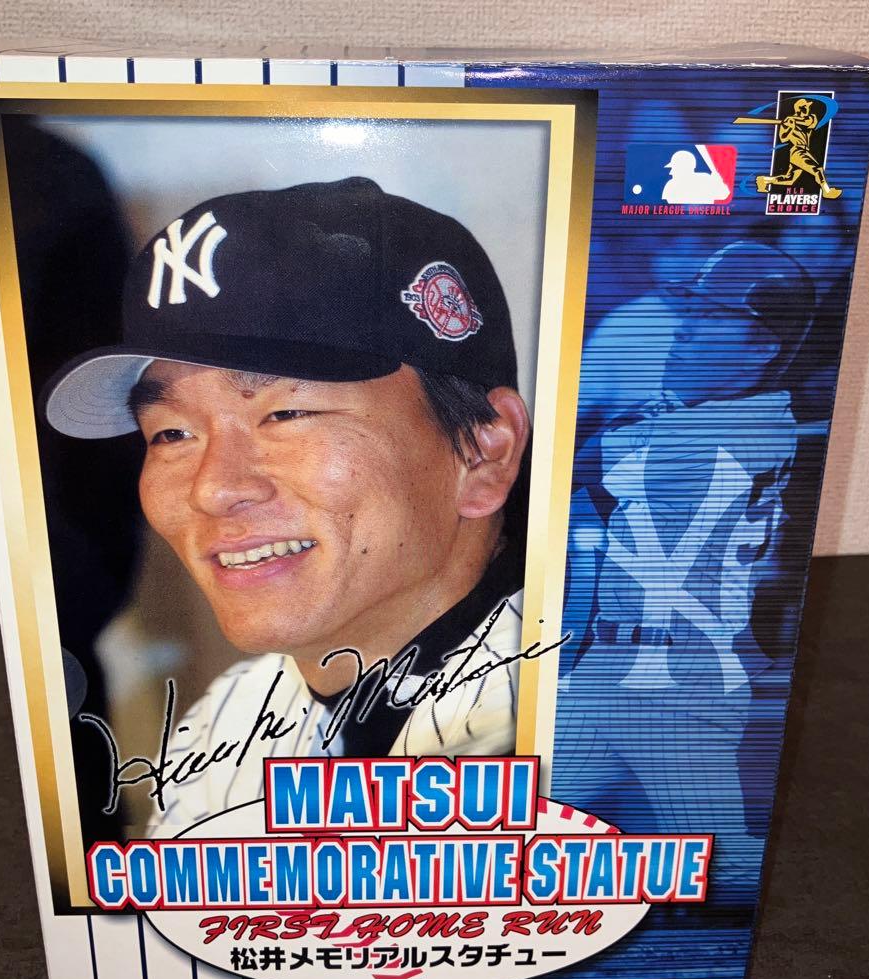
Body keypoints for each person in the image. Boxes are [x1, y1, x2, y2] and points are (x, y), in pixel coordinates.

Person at [43, 177, 533, 834]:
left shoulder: (586, 733)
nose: (213, 489)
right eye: (172, 434)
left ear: (484, 450)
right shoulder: (226, 728)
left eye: (286, 414)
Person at [557, 241, 814, 902]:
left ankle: (844, 901)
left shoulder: (707, 434)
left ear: (762, 347)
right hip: (606, 676)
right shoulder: (752, 417)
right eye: (689, 309)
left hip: (677, 689)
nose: (683, 329)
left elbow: (572, 472)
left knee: (727, 870)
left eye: (710, 315)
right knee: (511, 821)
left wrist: (643, 421)